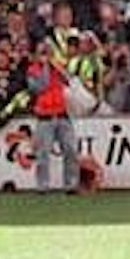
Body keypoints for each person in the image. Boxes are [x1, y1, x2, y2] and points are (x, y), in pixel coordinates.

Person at [27, 34, 81, 194]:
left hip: (62, 114)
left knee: (70, 150)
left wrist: (55, 65)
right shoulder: (32, 70)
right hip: (45, 117)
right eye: (42, 52)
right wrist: (45, 67)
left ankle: (71, 184)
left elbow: (70, 79)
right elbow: (40, 87)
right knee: (43, 154)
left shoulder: (58, 67)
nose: (45, 55)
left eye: (48, 51)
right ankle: (42, 186)